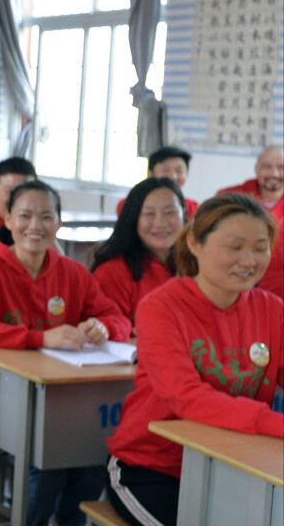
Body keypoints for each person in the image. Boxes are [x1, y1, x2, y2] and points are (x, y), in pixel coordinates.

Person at [0, 180, 132, 526]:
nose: (34, 226)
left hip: (58, 405)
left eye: (46, 216)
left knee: (92, 453)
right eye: (24, 215)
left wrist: (103, 326)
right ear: (7, 220)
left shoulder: (72, 271)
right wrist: (40, 338)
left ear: (59, 223)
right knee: (48, 456)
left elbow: (118, 318)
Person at [105, 194, 283, 526]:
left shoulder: (272, 309)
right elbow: (187, 397)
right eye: (234, 247)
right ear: (194, 243)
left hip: (235, 465)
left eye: (260, 248)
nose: (249, 260)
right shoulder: (161, 307)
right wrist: (274, 423)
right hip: (153, 467)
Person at [91, 177, 186, 330]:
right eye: (149, 214)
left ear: (184, 215)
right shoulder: (112, 272)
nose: (160, 223)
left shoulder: (199, 266)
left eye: (170, 212)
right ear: (133, 218)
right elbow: (109, 331)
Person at [216, 145, 284, 299]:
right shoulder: (229, 197)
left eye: (281, 167)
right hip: (231, 291)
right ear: (256, 168)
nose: (274, 173)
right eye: (267, 166)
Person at [116, 146, 199, 219]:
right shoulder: (128, 204)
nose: (173, 176)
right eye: (165, 170)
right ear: (151, 174)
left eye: (179, 171)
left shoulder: (194, 208)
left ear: (187, 174)